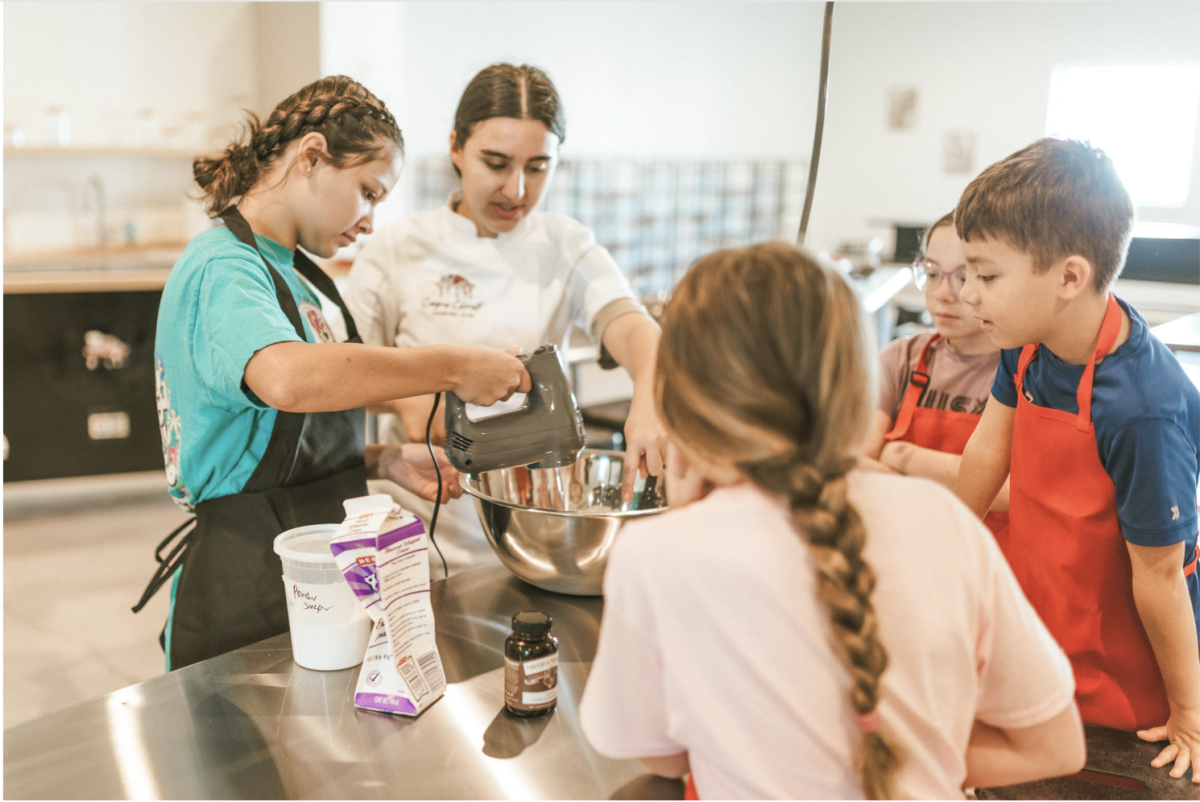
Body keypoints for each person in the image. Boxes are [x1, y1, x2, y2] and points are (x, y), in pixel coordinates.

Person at [579, 242, 1086, 799]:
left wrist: (685, 517)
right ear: (853, 379)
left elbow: (660, 754)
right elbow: (1054, 746)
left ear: (689, 390)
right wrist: (907, 760)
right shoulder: (944, 520)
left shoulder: (657, 555)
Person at [135, 76, 531, 671]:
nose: (370, 221)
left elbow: (271, 439)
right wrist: (452, 365)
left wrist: (380, 461)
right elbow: (289, 381)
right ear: (312, 157)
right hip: (248, 581)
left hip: (315, 566)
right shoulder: (224, 268)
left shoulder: (298, 278)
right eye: (368, 192)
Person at [345, 63, 666, 575]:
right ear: (456, 147)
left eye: (538, 167)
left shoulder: (565, 244)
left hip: (532, 532)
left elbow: (631, 325)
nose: (515, 189)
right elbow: (343, 369)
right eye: (496, 162)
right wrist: (410, 395)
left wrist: (649, 396)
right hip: (418, 525)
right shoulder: (397, 249)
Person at [954, 137, 1200, 780]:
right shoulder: (1028, 342)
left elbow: (1160, 577)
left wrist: (1190, 717)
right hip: (1047, 622)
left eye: (985, 275)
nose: (968, 295)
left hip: (1127, 665)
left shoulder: (1140, 407)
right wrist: (944, 538)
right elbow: (987, 449)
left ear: (1069, 277)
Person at [859, 212, 1009, 542]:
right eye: (931, 273)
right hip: (900, 546)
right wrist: (946, 479)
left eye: (964, 276)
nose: (943, 293)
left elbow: (1013, 492)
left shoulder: (1025, 373)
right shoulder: (902, 359)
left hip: (985, 562)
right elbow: (856, 465)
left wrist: (901, 455)